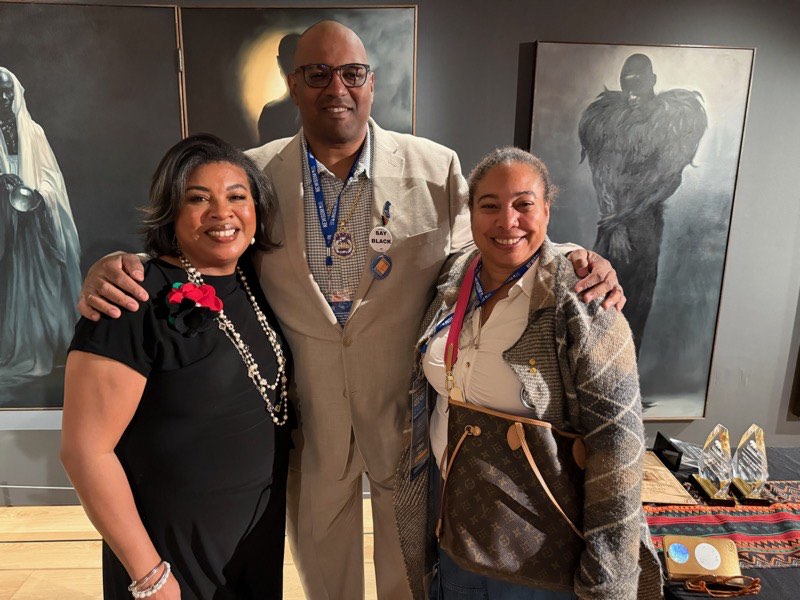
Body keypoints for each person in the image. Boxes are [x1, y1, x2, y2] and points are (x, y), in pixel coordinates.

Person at [76, 22, 625, 600]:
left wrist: (569, 256)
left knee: (406, 581)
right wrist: (121, 263)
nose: (335, 87)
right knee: (325, 584)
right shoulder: (255, 173)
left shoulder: (435, 167)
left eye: (351, 73)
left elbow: (491, 246)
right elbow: (211, 244)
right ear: (293, 84)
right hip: (309, 429)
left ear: (371, 83)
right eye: (317, 74)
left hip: (404, 424)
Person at [395, 147, 662, 599]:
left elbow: (618, 444)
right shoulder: (455, 276)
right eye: (490, 205)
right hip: (456, 523)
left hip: (541, 549)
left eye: (524, 204)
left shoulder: (584, 298)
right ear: (471, 213)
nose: (507, 221)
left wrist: (608, 579)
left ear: (547, 209)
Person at [61, 134, 292, 599]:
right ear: (171, 209)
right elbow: (85, 452)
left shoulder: (259, 282)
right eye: (198, 199)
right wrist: (150, 576)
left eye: (237, 197)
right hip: (170, 560)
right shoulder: (130, 300)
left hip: (252, 545)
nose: (222, 214)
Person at [579, 53, 706, 354]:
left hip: (643, 224)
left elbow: (665, 180)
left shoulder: (669, 122)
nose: (632, 95)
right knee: (594, 300)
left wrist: (621, 221)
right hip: (612, 223)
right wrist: (614, 223)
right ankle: (591, 367)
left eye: (638, 85)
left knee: (636, 302)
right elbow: (602, 175)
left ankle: (625, 371)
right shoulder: (609, 121)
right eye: (627, 86)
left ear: (653, 81)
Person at [0, 66, 81, 388]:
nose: (3, 97)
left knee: (42, 287)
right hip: (5, 229)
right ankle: (15, 348)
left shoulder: (34, 132)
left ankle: (45, 346)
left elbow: (51, 179)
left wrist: (39, 197)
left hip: (35, 223)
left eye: (7, 91)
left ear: (16, 93)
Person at [258, 33, 302, 144]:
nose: (293, 63)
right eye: (289, 57)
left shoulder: (270, 113)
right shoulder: (270, 114)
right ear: (279, 62)